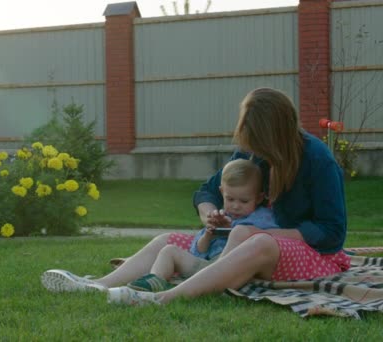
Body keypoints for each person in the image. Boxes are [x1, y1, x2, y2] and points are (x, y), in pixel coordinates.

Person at [41, 87, 350, 306]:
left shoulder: (317, 160)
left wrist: (266, 233)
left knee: (258, 241)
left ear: (274, 136)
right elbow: (208, 190)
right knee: (167, 241)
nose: (251, 151)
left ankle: (161, 299)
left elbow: (332, 234)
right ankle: (96, 285)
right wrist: (209, 214)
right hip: (240, 243)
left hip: (312, 256)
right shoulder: (251, 151)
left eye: (257, 144)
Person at [127, 158, 278, 292]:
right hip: (205, 267)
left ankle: (189, 287)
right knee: (169, 250)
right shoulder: (219, 216)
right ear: (221, 193)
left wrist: (234, 230)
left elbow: (260, 249)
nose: (236, 206)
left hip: (233, 271)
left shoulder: (262, 218)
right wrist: (209, 234)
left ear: (258, 198)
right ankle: (155, 280)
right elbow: (197, 251)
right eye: (230, 199)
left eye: (244, 201)